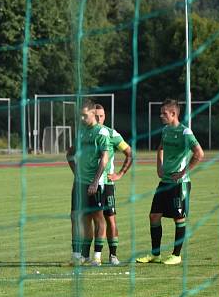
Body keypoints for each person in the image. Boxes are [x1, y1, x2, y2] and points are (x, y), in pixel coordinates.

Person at [137, 99, 204, 265]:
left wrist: (183, 172)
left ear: (173, 114)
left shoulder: (185, 132)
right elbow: (160, 148)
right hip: (165, 182)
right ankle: (155, 254)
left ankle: (176, 255)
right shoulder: (166, 130)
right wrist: (159, 166)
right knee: (154, 216)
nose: (161, 116)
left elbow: (199, 154)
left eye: (164, 113)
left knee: (179, 218)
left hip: (179, 184)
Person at [65, 102, 110, 266]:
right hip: (79, 183)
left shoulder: (102, 132)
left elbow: (105, 158)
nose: (82, 118)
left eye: (85, 115)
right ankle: (77, 256)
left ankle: (97, 256)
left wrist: (95, 181)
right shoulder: (82, 132)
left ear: (92, 114)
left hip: (96, 183)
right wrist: (76, 172)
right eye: (81, 115)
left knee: (98, 218)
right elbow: (70, 154)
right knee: (76, 217)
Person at [94, 104, 133, 265]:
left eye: (101, 116)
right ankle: (90, 256)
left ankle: (113, 255)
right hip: (90, 183)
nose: (98, 119)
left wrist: (120, 174)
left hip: (107, 184)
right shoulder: (86, 134)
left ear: (105, 117)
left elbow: (129, 153)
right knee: (92, 219)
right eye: (95, 116)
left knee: (110, 219)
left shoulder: (112, 134)